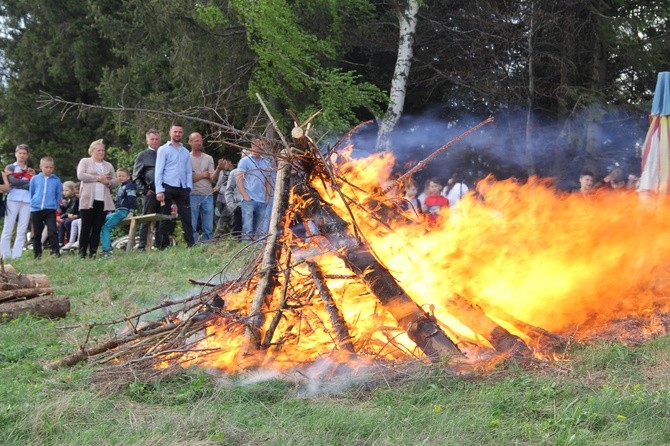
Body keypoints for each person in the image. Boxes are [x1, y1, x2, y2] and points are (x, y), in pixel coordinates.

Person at [155, 124, 195, 248]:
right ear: (170, 133)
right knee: (166, 216)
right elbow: (159, 170)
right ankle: (163, 245)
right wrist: (159, 190)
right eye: (175, 132)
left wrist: (189, 187)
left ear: (182, 134)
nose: (177, 134)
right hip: (168, 186)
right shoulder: (163, 149)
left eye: (180, 132)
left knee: (187, 217)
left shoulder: (185, 151)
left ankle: (190, 244)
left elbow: (189, 171)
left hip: (183, 188)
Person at [77, 139, 117, 258]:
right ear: (92, 151)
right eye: (98, 150)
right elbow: (81, 175)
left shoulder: (108, 165)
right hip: (88, 199)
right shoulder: (85, 161)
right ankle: (82, 253)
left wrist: (107, 182)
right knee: (85, 227)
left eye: (103, 150)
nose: (101, 152)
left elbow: (115, 181)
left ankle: (93, 253)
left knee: (97, 228)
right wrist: (99, 178)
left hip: (103, 201)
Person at [1, 144, 36, 259]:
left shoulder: (30, 170)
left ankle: (17, 255)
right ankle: (4, 254)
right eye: (20, 153)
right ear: (16, 154)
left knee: (22, 228)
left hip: (27, 200)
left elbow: (33, 184)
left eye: (24, 153)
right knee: (8, 227)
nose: (22, 155)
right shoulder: (11, 167)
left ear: (27, 155)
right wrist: (25, 183)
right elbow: (12, 182)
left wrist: (20, 183)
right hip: (13, 199)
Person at [236, 138, 273, 241]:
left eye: (263, 144)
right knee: (248, 228)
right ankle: (246, 250)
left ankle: (257, 253)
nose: (262, 146)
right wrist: (246, 197)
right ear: (253, 146)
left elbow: (268, 182)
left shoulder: (266, 163)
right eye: (259, 144)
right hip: (249, 199)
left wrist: (267, 197)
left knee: (260, 229)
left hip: (262, 200)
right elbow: (239, 180)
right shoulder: (245, 161)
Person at [132, 129, 162, 250]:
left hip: (164, 192)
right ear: (147, 140)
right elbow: (135, 176)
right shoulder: (142, 155)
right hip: (151, 192)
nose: (154, 141)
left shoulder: (164, 152)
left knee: (162, 219)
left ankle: (161, 244)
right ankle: (142, 245)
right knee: (147, 218)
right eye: (152, 139)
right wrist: (144, 190)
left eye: (157, 139)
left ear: (160, 140)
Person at [29, 157, 62, 259]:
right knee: (37, 233)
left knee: (52, 231)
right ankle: (37, 255)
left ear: (53, 168)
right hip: (36, 209)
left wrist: (54, 206)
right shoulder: (35, 179)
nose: (48, 169)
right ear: (41, 167)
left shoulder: (56, 180)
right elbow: (32, 192)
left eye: (51, 167)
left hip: (50, 209)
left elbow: (58, 194)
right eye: (46, 167)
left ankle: (55, 253)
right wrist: (34, 203)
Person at [100, 168, 137, 257]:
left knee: (106, 228)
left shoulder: (129, 186)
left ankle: (107, 251)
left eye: (123, 176)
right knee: (100, 221)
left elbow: (132, 199)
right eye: (119, 176)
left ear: (128, 177)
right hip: (117, 211)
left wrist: (131, 211)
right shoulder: (120, 186)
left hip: (124, 211)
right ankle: (107, 246)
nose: (121, 178)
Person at [188, 132, 215, 243]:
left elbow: (212, 178)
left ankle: (207, 245)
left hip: (208, 194)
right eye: (196, 141)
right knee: (192, 224)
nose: (199, 143)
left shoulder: (208, 158)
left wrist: (217, 170)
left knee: (208, 224)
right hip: (192, 194)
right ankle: (193, 245)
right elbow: (187, 179)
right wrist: (203, 175)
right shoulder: (186, 158)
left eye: (200, 140)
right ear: (190, 142)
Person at [213, 158, 234, 237]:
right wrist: (216, 187)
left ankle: (217, 236)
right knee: (217, 216)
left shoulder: (233, 172)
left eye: (225, 162)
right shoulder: (221, 171)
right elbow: (218, 183)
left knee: (224, 217)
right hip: (220, 197)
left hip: (229, 199)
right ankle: (222, 236)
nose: (224, 164)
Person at [224, 166, 244, 240]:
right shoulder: (234, 172)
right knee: (236, 236)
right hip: (239, 207)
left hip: (255, 208)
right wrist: (232, 207)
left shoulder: (258, 172)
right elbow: (229, 190)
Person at [57, 181, 78, 246]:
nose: (64, 192)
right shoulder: (69, 199)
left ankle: (72, 240)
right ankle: (60, 242)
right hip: (71, 217)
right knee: (63, 222)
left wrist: (61, 217)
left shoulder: (75, 199)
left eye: (66, 190)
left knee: (66, 222)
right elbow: (67, 210)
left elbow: (70, 211)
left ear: (73, 190)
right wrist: (61, 206)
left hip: (76, 216)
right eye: (63, 191)